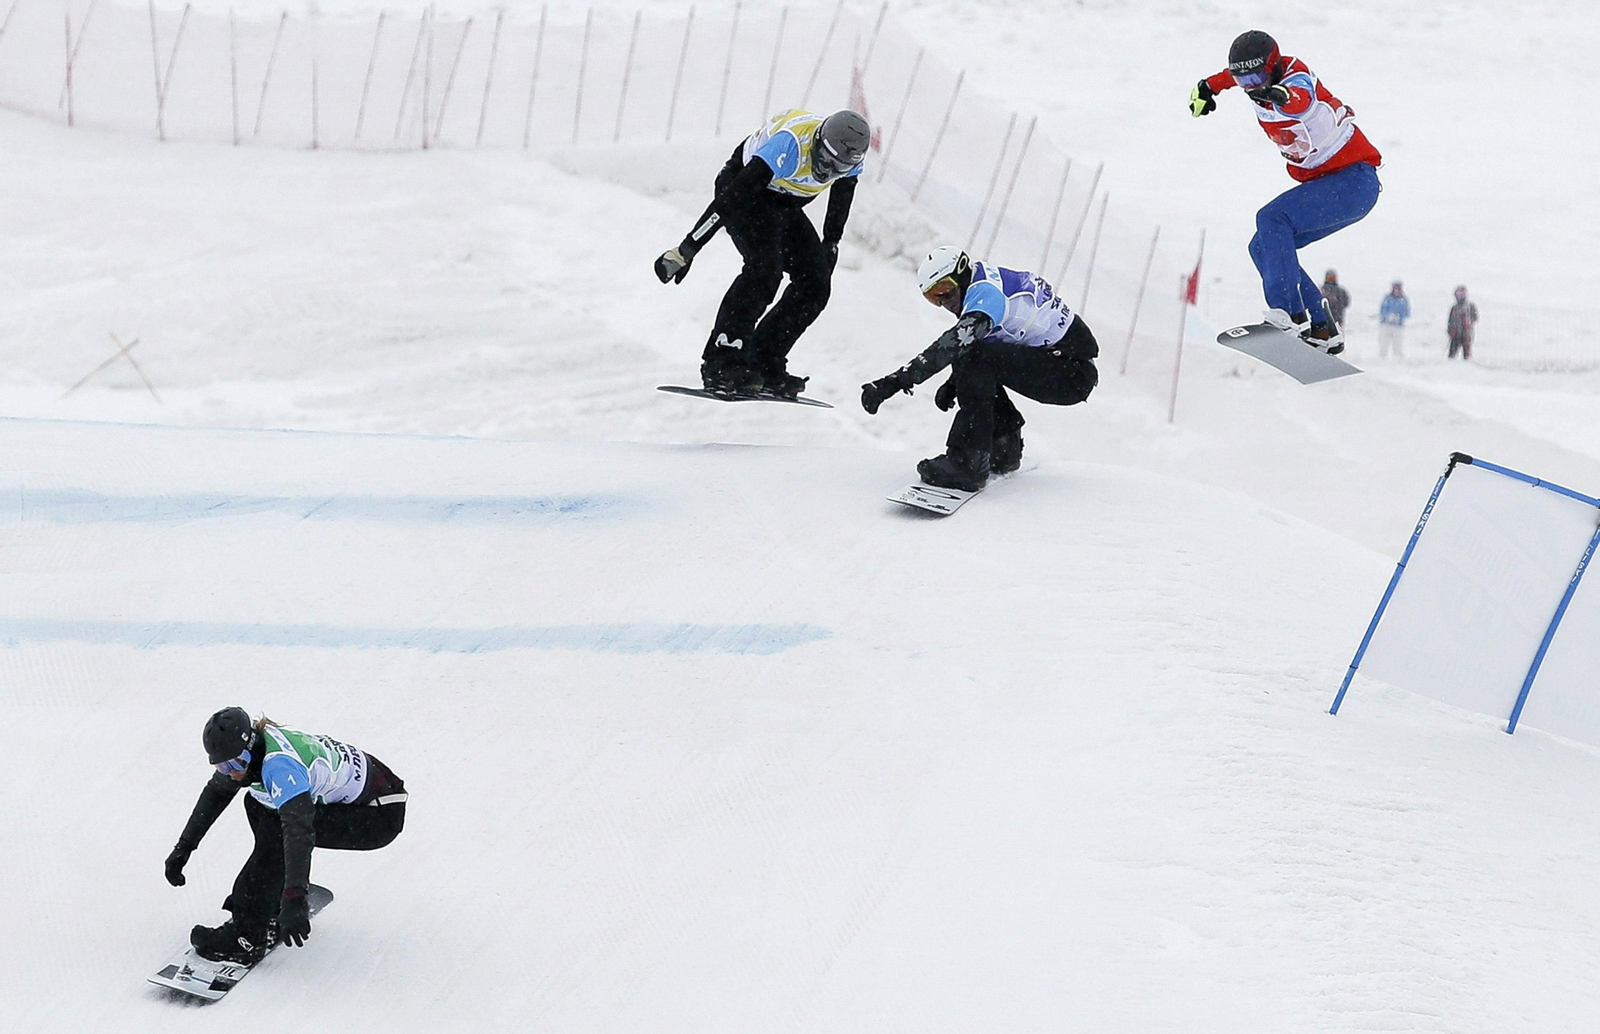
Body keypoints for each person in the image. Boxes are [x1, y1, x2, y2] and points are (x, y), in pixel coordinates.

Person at [653, 108, 870, 398]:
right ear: (817, 141)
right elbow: (727, 203)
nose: (828, 171)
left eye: (838, 169)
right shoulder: (789, 146)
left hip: (785, 201)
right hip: (746, 187)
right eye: (825, 161)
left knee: (816, 284)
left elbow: (842, 198)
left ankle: (764, 360)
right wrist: (687, 249)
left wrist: (831, 243)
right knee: (764, 269)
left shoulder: (850, 158)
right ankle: (721, 362)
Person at [164, 707, 408, 964]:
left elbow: (299, 832)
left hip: (378, 816)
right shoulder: (253, 749)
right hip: (370, 794)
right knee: (258, 803)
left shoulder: (279, 766)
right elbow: (217, 792)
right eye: (222, 766)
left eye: (236, 764)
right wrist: (184, 847)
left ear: (250, 747)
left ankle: (246, 937)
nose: (231, 772)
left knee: (276, 827)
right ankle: (267, 900)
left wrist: (294, 897)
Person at [1190, 30, 1383, 355]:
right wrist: (1208, 87)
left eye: (1257, 77)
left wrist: (1280, 95)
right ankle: (1322, 328)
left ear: (1274, 66)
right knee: (1263, 247)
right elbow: (1228, 77)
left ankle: (1287, 316)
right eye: (1244, 79)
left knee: (1271, 218)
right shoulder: (1254, 83)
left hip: (1354, 181)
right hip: (1335, 185)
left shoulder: (1296, 78)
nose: (1251, 86)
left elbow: (1300, 99)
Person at [859, 246, 1099, 492]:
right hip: (1064, 364)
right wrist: (955, 382)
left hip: (1072, 373)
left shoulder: (987, 295)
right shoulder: (977, 284)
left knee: (976, 356)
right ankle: (1003, 447)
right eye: (933, 297)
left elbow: (950, 346)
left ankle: (967, 464)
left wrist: (893, 382)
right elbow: (973, 342)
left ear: (961, 275)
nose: (943, 302)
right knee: (974, 353)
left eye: (944, 290)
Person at [1378, 280, 1410, 358]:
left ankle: (1397, 359)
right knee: (1384, 343)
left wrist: (1399, 317)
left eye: (1398, 289)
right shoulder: (1387, 299)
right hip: (1386, 325)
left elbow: (1406, 312)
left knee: (1398, 344)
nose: (1397, 291)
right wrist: (1388, 316)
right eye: (1395, 289)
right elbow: (1382, 309)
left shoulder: (1403, 300)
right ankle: (1382, 357)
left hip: (1398, 326)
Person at [1448, 286, 1479, 360]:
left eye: (1462, 295)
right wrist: (1450, 331)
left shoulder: (1470, 306)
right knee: (1451, 356)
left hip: (1466, 334)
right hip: (1455, 335)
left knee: (1467, 356)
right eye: (1458, 295)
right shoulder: (1454, 308)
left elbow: (1475, 317)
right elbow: (1450, 320)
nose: (1460, 297)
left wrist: (1468, 321)